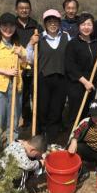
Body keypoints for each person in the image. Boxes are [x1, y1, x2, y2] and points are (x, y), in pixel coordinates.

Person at [26, 9, 70, 144]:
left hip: (61, 79)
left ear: (59, 23)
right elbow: (29, 59)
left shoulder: (66, 37)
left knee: (56, 111)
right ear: (45, 23)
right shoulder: (38, 38)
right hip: (43, 79)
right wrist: (30, 44)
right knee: (41, 110)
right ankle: (39, 140)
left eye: (55, 21)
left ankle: (51, 140)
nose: (53, 24)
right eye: (49, 21)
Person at [64, 12, 97, 129]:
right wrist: (85, 82)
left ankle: (85, 138)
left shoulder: (96, 42)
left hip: (92, 83)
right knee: (76, 113)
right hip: (77, 83)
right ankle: (72, 138)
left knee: (89, 113)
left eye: (89, 24)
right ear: (78, 26)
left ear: (93, 27)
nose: (86, 27)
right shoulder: (72, 44)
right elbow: (70, 67)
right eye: (83, 24)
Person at [14, 0, 44, 129]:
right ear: (16, 9)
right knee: (22, 94)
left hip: (34, 66)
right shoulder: (12, 26)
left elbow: (43, 44)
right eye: (21, 8)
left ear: (30, 10)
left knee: (36, 93)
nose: (24, 10)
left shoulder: (36, 26)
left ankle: (36, 120)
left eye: (26, 8)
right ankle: (25, 120)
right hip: (17, 66)